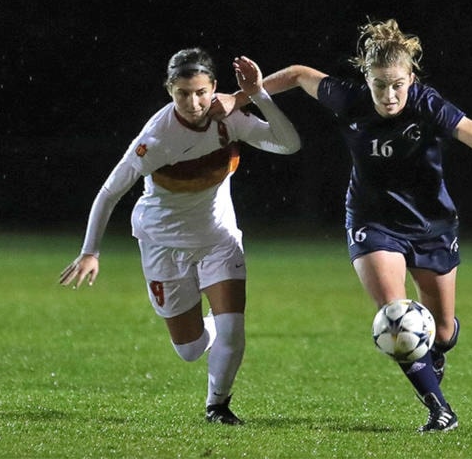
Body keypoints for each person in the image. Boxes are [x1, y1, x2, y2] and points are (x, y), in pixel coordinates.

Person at [218, 19, 472, 432]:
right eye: (379, 85)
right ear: (367, 79)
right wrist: (240, 97)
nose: (389, 95)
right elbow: (300, 75)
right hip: (372, 221)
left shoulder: (427, 104)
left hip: (431, 224)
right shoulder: (348, 98)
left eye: (397, 84)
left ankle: (435, 350)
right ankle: (440, 410)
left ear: (411, 78)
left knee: (442, 331)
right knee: (395, 318)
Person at [58, 49, 301, 424]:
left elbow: (288, 144)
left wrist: (257, 95)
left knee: (233, 329)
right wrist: (90, 252)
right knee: (189, 349)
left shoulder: (228, 118)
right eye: (183, 93)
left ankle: (216, 406)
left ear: (214, 87)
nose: (194, 102)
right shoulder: (157, 139)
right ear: (170, 90)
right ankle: (208, 325)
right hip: (164, 244)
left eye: (201, 92)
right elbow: (109, 192)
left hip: (219, 239)